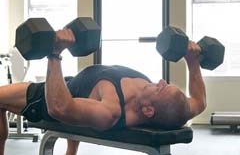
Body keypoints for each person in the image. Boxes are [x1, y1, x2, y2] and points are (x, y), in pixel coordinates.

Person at [0, 28, 206, 155]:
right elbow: (199, 101)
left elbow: (60, 107)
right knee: (82, 98)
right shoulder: (172, 106)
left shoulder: (111, 110)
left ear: (148, 110)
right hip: (77, 85)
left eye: (161, 88)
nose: (160, 81)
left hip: (49, 96)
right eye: (165, 83)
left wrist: (54, 53)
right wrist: (192, 61)